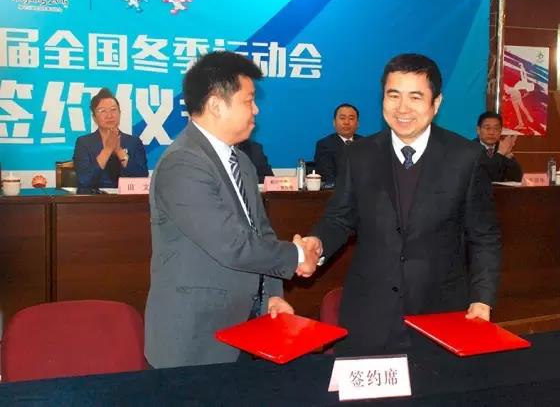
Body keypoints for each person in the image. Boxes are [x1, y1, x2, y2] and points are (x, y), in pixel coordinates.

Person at [301, 54, 502, 357]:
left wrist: (482, 299)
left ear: (436, 103)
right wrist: (317, 243)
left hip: (439, 313)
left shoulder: (466, 158)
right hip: (368, 314)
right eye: (393, 95)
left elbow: (484, 236)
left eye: (415, 97)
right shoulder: (359, 154)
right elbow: (339, 218)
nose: (402, 108)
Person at [144, 51, 318, 368]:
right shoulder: (182, 164)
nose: (256, 109)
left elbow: (260, 232)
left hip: (247, 326)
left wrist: (272, 295)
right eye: (248, 100)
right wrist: (296, 255)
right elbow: (232, 244)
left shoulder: (242, 162)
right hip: (196, 336)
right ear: (216, 105)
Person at [72, 88, 148, 189]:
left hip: (127, 197)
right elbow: (84, 181)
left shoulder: (134, 142)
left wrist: (119, 151)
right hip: (95, 197)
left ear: (120, 113)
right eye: (102, 111)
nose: (109, 115)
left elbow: (142, 178)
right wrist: (107, 149)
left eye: (113, 110)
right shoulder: (84, 143)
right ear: (94, 117)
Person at [313, 103, 362, 185]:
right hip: (337, 190)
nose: (346, 122)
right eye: (342, 118)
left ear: (357, 124)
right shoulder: (324, 145)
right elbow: (327, 176)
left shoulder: (366, 143)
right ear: (334, 122)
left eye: (351, 118)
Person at [475, 111, 523, 182]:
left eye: (496, 128)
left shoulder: (502, 147)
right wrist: (500, 154)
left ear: (500, 131)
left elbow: (517, 178)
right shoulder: (471, 149)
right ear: (478, 130)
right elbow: (485, 175)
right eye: (487, 128)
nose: (491, 132)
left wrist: (507, 156)